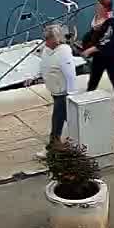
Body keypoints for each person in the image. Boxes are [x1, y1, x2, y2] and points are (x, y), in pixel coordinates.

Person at [34, 25, 79, 159]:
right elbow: (44, 65)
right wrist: (36, 76)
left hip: (63, 93)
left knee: (58, 119)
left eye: (48, 38)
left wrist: (71, 92)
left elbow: (70, 73)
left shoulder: (64, 52)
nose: (46, 41)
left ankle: (52, 147)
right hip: (54, 91)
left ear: (56, 39)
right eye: (45, 38)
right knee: (69, 119)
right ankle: (74, 140)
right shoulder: (47, 49)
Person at [80, 0, 114, 111]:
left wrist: (89, 50)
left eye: (99, 6)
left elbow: (105, 41)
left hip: (111, 56)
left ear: (105, 8)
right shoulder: (97, 18)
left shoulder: (110, 22)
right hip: (99, 56)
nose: (96, 7)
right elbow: (92, 34)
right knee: (94, 77)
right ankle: (88, 99)